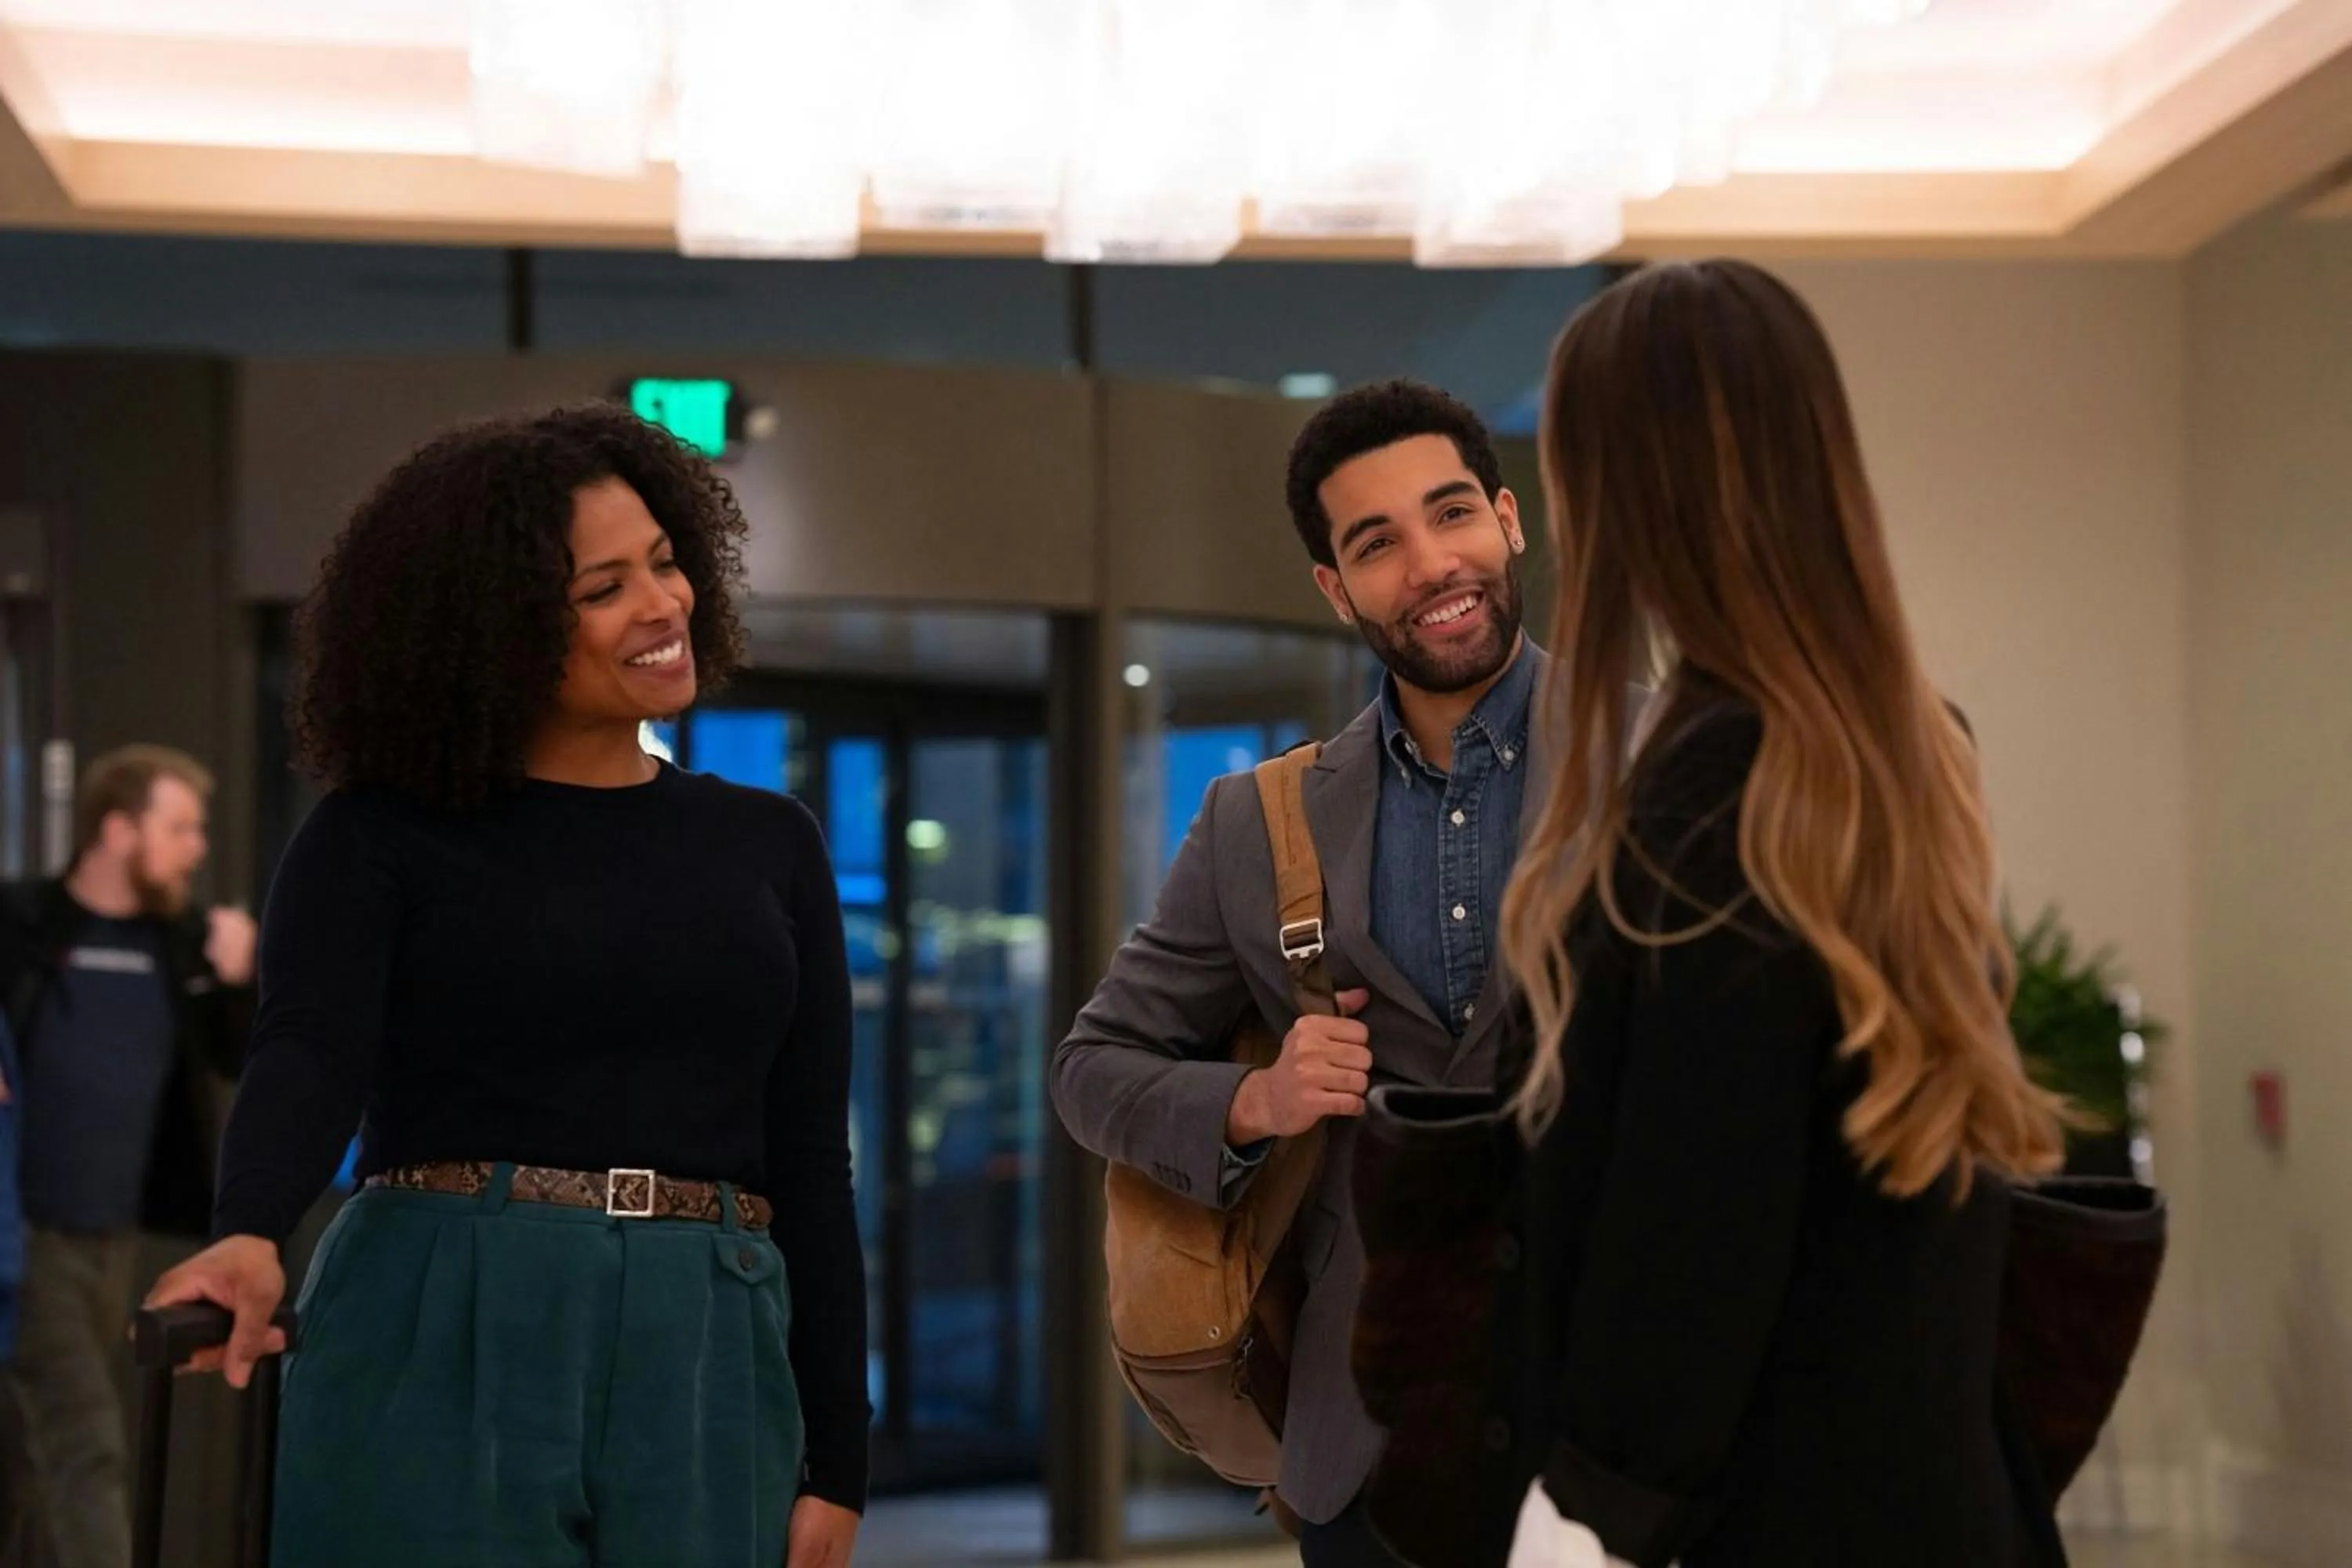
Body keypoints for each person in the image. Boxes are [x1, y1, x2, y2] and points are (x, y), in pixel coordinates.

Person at [143, 404, 869, 1568]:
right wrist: (249, 1228)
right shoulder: (377, 834)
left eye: (667, 563)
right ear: (495, 627)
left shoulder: (768, 842)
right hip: (441, 1298)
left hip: (712, 1321)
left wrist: (840, 1457)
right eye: (603, 588)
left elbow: (809, 1161)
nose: (662, 604)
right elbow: (308, 1051)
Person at [1470, 260, 2070, 1568]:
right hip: (1921, 1498)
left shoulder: (1719, 801)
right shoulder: (1893, 765)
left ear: (1622, 488)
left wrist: (1581, 1516)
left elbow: (1690, 1236)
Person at [1055, 379, 1541, 1566]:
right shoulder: (1254, 821)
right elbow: (1090, 1069)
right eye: (1378, 543)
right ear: (1335, 587)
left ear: (1510, 520)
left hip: (1620, 1412)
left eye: (1453, 514)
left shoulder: (1660, 756)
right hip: (1366, 1434)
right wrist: (1253, 1100)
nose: (1432, 564)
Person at [0, 746, 255, 1568]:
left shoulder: (182, 941)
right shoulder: (22, 923)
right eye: (179, 826)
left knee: (36, 1456)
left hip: (114, 1236)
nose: (196, 845)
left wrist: (236, 977)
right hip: (27, 1234)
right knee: (86, 1443)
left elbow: (238, 1058)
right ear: (117, 829)